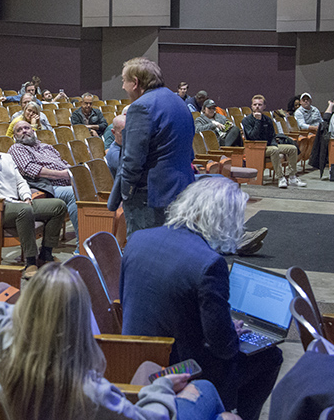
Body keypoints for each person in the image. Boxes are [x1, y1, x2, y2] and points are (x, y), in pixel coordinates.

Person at [0, 262, 239, 420]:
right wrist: (162, 388)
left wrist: (30, 319)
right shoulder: (87, 390)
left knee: (147, 369)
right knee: (207, 391)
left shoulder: (2, 344)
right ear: (79, 319)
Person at [121, 177, 283, 420]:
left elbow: (130, 300)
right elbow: (223, 347)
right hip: (181, 367)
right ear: (226, 220)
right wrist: (231, 331)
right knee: (270, 357)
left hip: (132, 358)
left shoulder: (137, 239)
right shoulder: (209, 263)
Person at [0, 116, 66, 277]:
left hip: (18, 204)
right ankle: (30, 262)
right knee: (24, 211)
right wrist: (15, 202)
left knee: (58, 206)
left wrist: (26, 197)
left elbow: (20, 181)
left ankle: (45, 254)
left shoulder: (6, 157)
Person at [108, 58, 195, 237]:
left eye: (124, 81)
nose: (123, 87)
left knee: (145, 248)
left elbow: (132, 160)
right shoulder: (179, 102)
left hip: (151, 196)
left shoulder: (141, 107)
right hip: (182, 188)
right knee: (173, 245)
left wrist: (127, 194)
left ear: (135, 82)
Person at [8, 119, 79, 250]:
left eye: (26, 128)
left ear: (33, 130)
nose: (24, 131)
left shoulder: (46, 146)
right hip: (46, 187)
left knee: (92, 190)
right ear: (15, 136)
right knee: (74, 194)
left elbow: (63, 163)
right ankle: (82, 246)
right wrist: (63, 174)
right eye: (19, 130)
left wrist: (75, 173)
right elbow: (29, 169)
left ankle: (98, 238)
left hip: (65, 181)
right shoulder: (17, 148)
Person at [241, 95, 306, 189]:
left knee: (292, 148)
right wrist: (257, 121)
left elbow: (272, 135)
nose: (257, 107)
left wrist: (274, 144)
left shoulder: (267, 119)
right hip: (255, 148)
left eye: (260, 104)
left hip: (269, 146)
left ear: (264, 106)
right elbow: (253, 136)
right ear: (251, 106)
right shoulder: (246, 120)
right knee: (274, 150)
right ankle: (281, 177)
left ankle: (292, 177)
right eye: (255, 105)